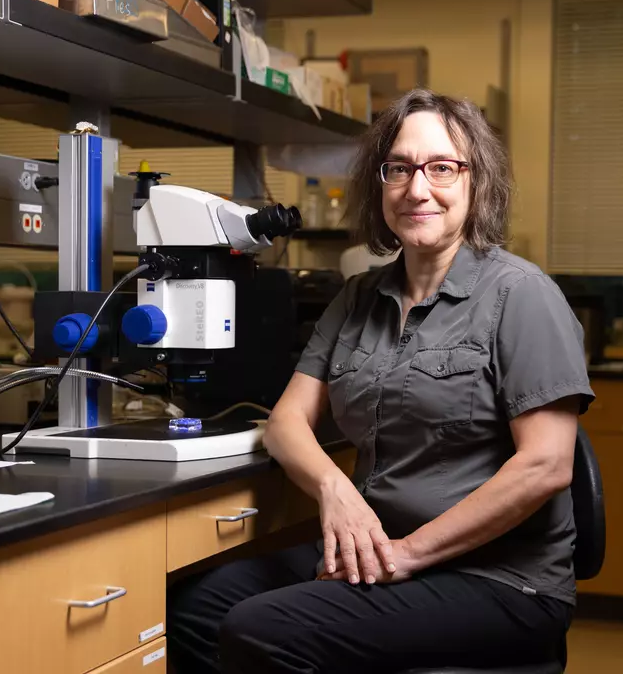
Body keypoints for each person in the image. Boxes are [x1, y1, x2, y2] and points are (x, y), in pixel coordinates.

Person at [168, 88, 595, 673]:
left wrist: (407, 555)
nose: (417, 188)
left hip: (497, 577)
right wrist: (334, 491)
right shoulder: (358, 297)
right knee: (194, 609)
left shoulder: (521, 296)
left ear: (479, 183)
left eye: (442, 167)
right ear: (380, 184)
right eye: (399, 168)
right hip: (372, 549)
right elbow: (288, 421)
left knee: (262, 631)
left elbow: (546, 465)